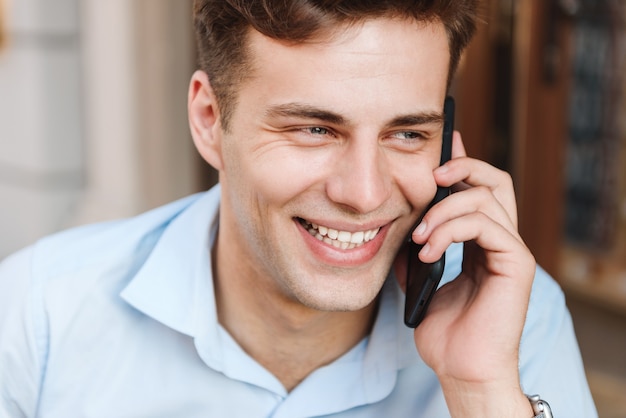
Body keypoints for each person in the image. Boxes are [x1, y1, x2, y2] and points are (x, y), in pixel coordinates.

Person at [0, 1, 597, 417]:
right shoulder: (40, 313)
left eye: (407, 134)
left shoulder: (515, 319)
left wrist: (485, 393)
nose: (364, 193)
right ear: (211, 121)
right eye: (314, 129)